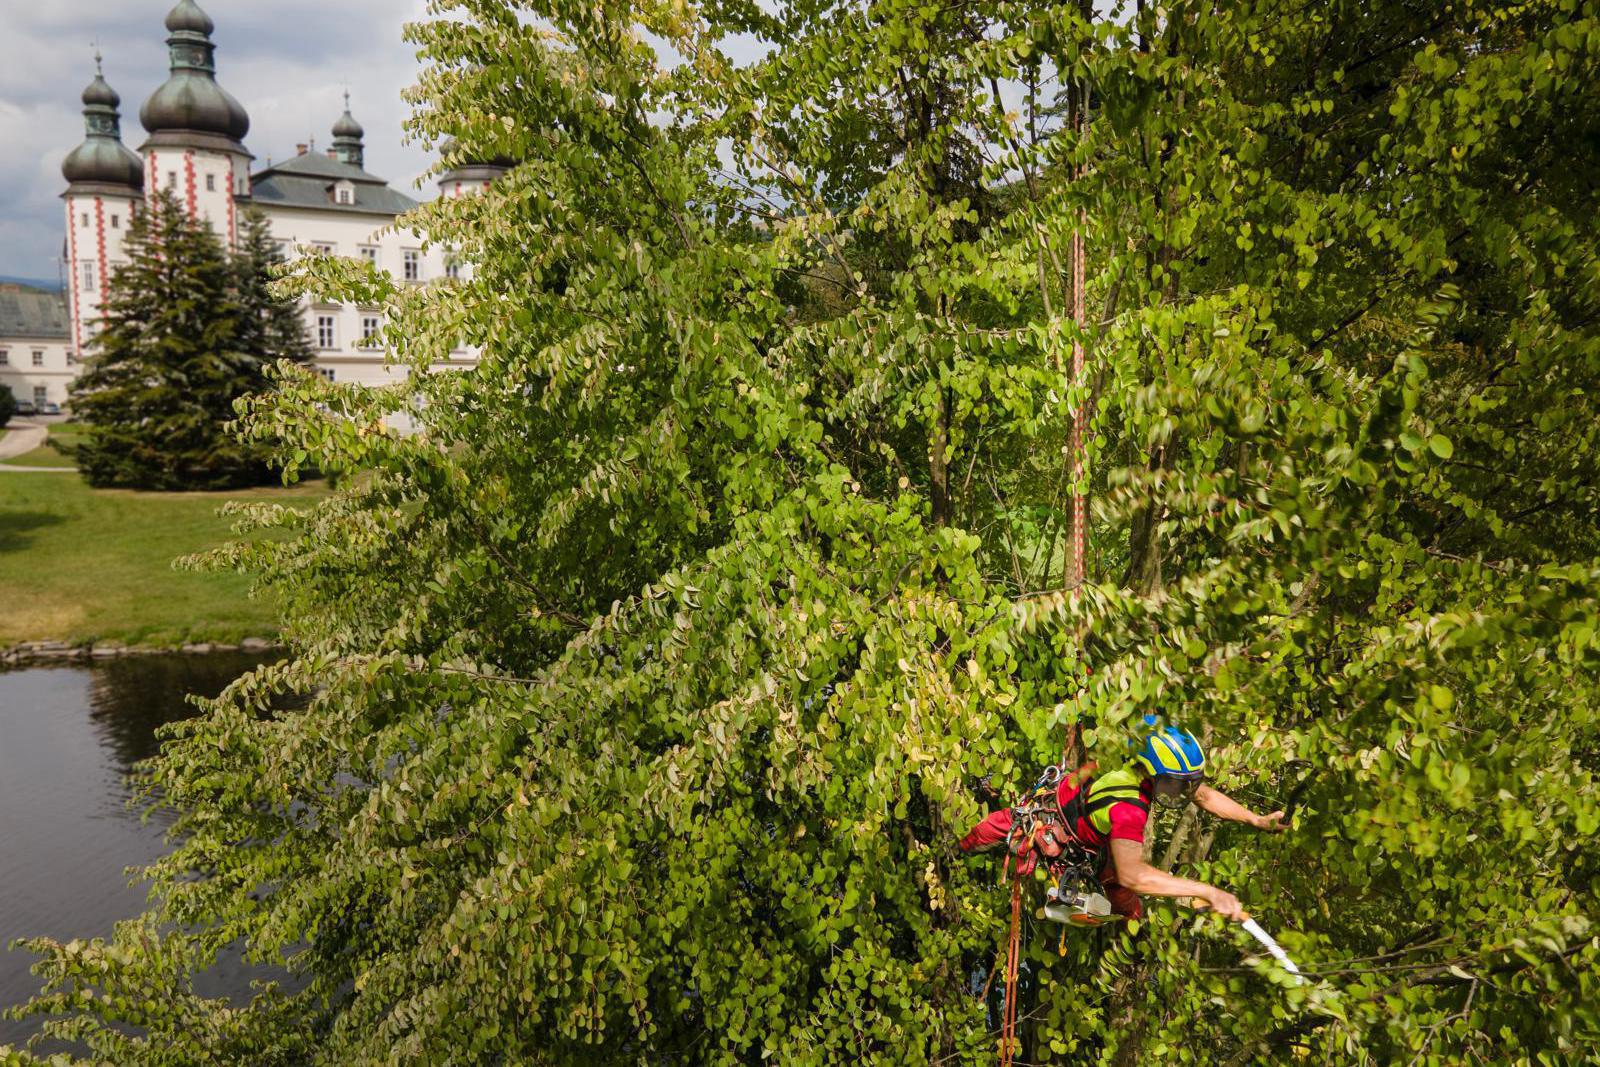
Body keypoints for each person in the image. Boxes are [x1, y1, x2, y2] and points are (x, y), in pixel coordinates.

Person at [959, 722, 1285, 922]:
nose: (1182, 791)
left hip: (1068, 814)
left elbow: (1203, 795)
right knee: (1126, 899)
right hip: (1058, 829)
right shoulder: (1128, 806)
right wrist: (1208, 891)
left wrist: (1256, 819)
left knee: (984, 832)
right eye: (1176, 783)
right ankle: (953, 852)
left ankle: (955, 849)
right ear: (1155, 772)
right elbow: (1133, 874)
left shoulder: (1131, 756)